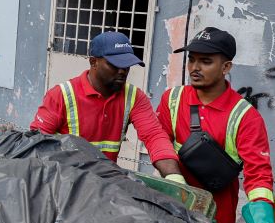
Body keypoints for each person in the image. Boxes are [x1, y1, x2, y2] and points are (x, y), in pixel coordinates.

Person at [157, 27, 275, 223]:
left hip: (215, 221)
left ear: (226, 67)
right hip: (174, 213)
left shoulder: (245, 117)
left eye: (205, 61)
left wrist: (263, 221)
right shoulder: (172, 99)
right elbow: (158, 141)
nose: (195, 67)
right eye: (191, 59)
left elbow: (258, 175)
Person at [30, 31, 184, 180]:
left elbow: (154, 135)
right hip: (65, 182)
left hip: (105, 184)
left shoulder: (134, 97)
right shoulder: (61, 95)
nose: (122, 71)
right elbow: (35, 144)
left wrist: (173, 175)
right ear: (93, 62)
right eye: (115, 65)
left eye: (127, 66)